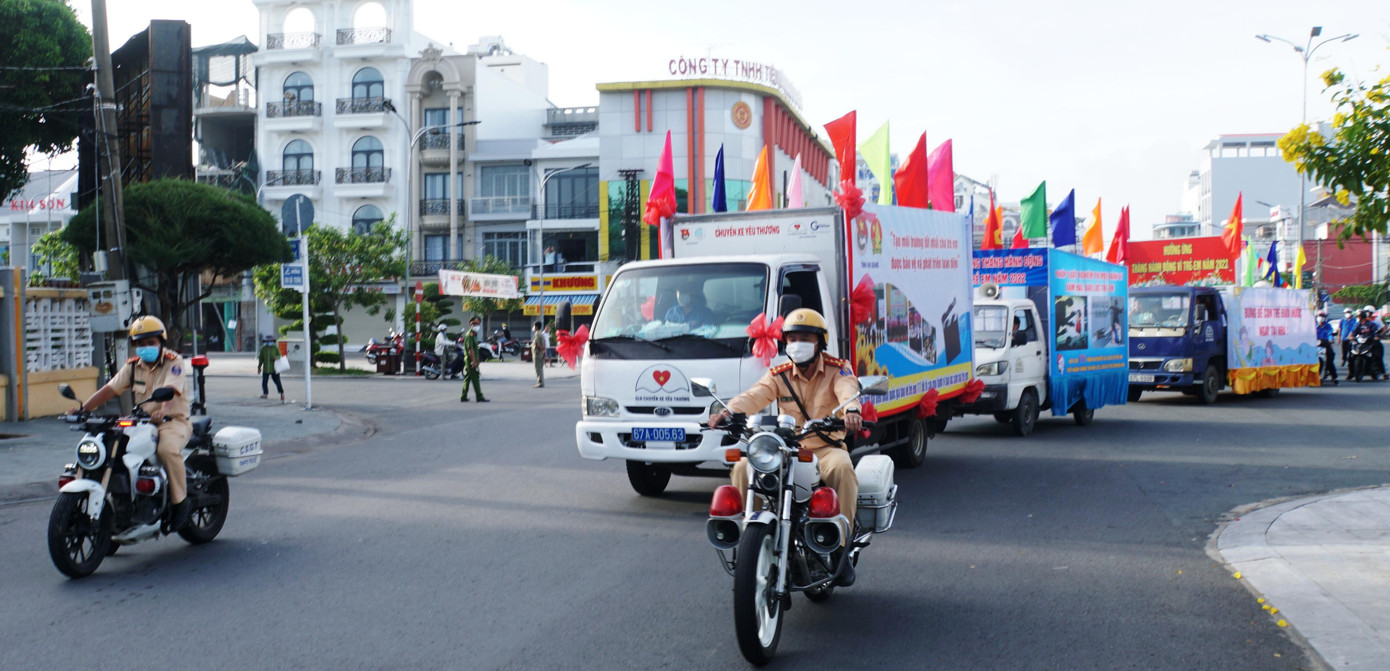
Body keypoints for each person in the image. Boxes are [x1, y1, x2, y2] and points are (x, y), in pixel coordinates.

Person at [709, 308, 863, 586]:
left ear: (819, 342)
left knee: (843, 469)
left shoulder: (838, 369)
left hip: (824, 449)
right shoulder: (778, 374)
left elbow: (847, 390)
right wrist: (728, 412)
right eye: (792, 339)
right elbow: (755, 395)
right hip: (785, 450)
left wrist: (851, 411)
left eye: (805, 338)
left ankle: (840, 548)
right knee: (743, 466)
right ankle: (750, 540)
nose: (797, 344)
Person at [74, 316, 193, 533]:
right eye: (140, 343)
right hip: (142, 423)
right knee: (114, 447)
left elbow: (170, 391)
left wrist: (163, 411)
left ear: (161, 342)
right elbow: (109, 389)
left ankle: (180, 503)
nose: (145, 347)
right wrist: (84, 408)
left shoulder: (173, 362)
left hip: (172, 421)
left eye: (150, 342)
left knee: (166, 449)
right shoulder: (132, 366)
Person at [460, 317, 488, 402]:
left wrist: (477, 358)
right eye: (474, 323)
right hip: (470, 360)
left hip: (472, 359)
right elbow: (470, 349)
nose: (476, 325)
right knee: (475, 378)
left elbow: (475, 349)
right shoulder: (470, 335)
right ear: (470, 324)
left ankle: (463, 396)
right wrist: (474, 361)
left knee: (468, 378)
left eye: (478, 324)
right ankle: (479, 396)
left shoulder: (474, 334)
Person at [257, 335, 285, 401]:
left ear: (272, 341)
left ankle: (281, 393)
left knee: (277, 382)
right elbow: (261, 359)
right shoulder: (263, 349)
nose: (269, 342)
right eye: (267, 341)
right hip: (266, 368)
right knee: (264, 382)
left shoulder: (275, 348)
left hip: (274, 368)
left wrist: (276, 357)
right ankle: (265, 393)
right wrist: (259, 367)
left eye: (270, 341)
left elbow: (279, 355)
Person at [1315, 311, 1339, 384]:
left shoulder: (1328, 326)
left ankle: (1334, 377)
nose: (1320, 318)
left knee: (1329, 360)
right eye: (1319, 316)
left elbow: (1330, 334)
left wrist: (1330, 340)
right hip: (1316, 345)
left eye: (1322, 316)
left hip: (1326, 344)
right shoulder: (1314, 326)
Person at [531, 321, 547, 388]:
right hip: (540, 353)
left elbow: (537, 344)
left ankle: (540, 383)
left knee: (538, 368)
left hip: (537, 353)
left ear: (536, 327)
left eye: (534, 326)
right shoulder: (541, 334)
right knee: (540, 368)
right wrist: (543, 350)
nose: (533, 327)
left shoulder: (537, 334)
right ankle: (541, 382)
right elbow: (544, 343)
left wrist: (541, 349)